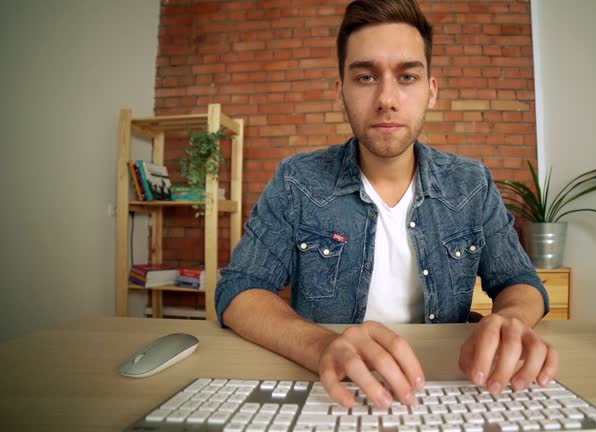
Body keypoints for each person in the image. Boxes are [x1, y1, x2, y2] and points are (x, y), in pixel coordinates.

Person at [215, 0, 558, 410]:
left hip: (448, 386)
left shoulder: (471, 183)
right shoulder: (297, 181)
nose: (387, 99)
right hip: (334, 390)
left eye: (407, 76)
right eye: (365, 77)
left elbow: (521, 282)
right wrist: (324, 346)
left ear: (431, 91)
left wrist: (511, 322)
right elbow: (239, 290)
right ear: (340, 90)